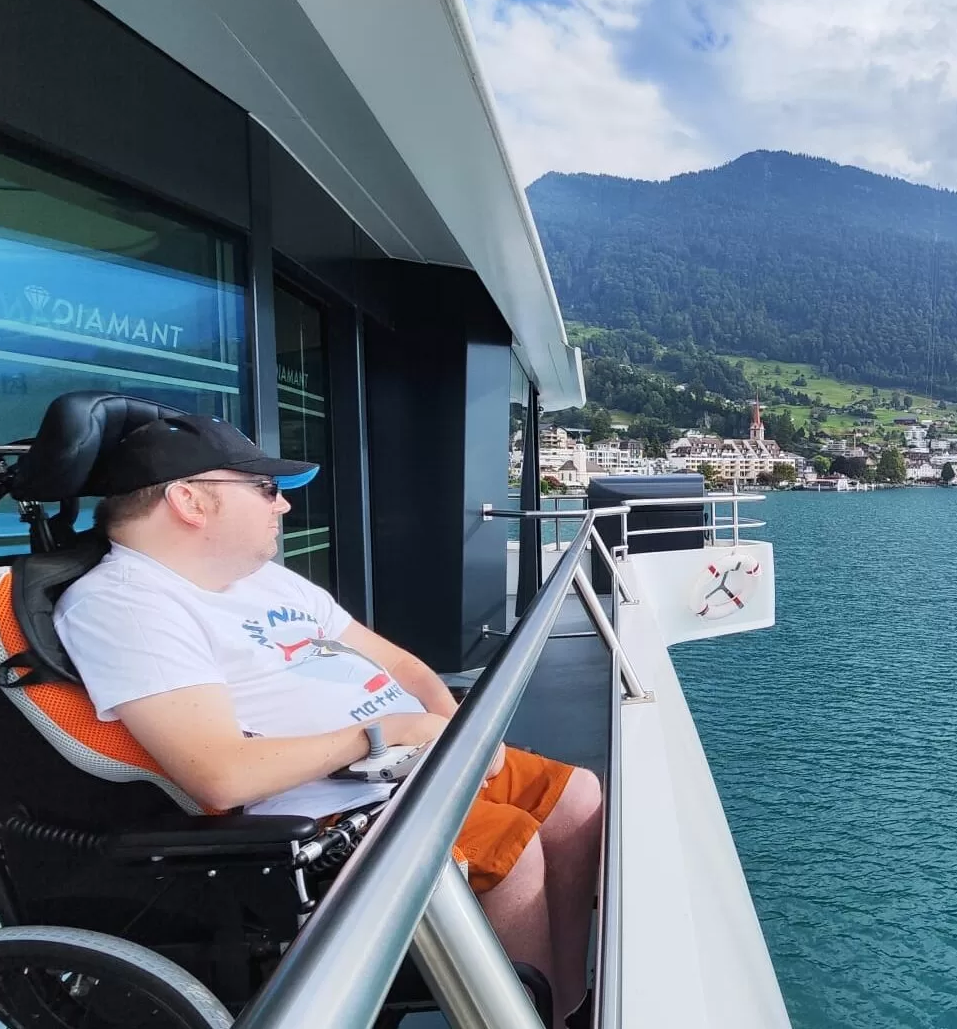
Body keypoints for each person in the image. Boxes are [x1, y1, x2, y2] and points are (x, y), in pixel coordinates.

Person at [51, 414, 601, 1019]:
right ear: (188, 500)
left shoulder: (265, 581)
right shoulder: (126, 605)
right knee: (512, 851)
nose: (282, 506)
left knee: (578, 799)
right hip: (331, 813)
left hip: (415, 761)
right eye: (264, 488)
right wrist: (383, 734)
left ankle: (568, 1004)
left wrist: (461, 730)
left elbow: (406, 668)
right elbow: (219, 775)